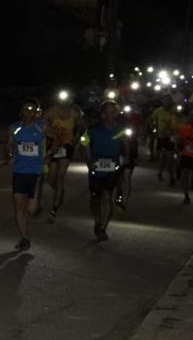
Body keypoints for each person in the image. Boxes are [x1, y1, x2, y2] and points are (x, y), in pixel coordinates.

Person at [81, 99, 128, 241]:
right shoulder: (93, 130)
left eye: (114, 112)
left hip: (113, 165)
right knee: (95, 197)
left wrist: (124, 158)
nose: (111, 115)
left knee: (108, 196)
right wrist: (89, 161)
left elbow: (126, 145)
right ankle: (97, 221)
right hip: (97, 165)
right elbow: (84, 145)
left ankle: (103, 227)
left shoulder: (121, 129)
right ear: (102, 114)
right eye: (108, 112)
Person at [7, 100, 45, 251]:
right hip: (19, 171)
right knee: (18, 204)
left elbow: (57, 139)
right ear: (21, 111)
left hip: (35, 172)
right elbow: (9, 145)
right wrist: (9, 154)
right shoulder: (15, 128)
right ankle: (24, 237)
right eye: (26, 109)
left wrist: (49, 153)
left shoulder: (42, 127)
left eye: (32, 110)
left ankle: (36, 206)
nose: (29, 113)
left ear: (36, 112)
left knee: (31, 209)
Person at [43, 92, 84, 222]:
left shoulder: (74, 113)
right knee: (51, 177)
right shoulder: (51, 112)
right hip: (53, 146)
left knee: (60, 176)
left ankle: (54, 209)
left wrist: (76, 138)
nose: (64, 103)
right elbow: (41, 125)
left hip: (66, 146)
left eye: (68, 100)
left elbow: (81, 126)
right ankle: (59, 191)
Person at [151, 101, 178, 184]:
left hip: (172, 138)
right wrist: (154, 127)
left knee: (170, 158)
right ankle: (161, 172)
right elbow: (152, 119)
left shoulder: (175, 114)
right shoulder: (159, 111)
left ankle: (172, 176)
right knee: (164, 156)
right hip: (162, 137)